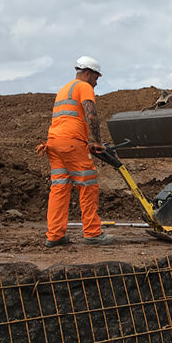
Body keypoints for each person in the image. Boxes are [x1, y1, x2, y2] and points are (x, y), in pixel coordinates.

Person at [40, 56, 115, 247]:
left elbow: (67, 119)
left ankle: (55, 235)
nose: (96, 83)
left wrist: (83, 141)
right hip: (71, 143)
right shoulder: (84, 87)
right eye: (96, 78)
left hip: (54, 143)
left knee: (59, 188)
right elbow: (91, 113)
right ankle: (92, 233)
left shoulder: (63, 89)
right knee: (88, 184)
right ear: (87, 73)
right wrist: (97, 141)